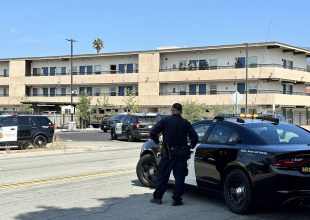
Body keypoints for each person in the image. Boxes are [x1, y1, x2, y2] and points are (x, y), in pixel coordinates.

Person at [149, 103, 198, 206]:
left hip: (168, 153)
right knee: (180, 176)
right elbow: (195, 137)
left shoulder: (165, 121)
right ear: (181, 111)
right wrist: (190, 147)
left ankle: (157, 198)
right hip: (181, 153)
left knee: (163, 175)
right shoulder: (186, 123)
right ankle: (177, 199)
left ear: (172, 110)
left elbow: (153, 132)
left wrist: (157, 141)